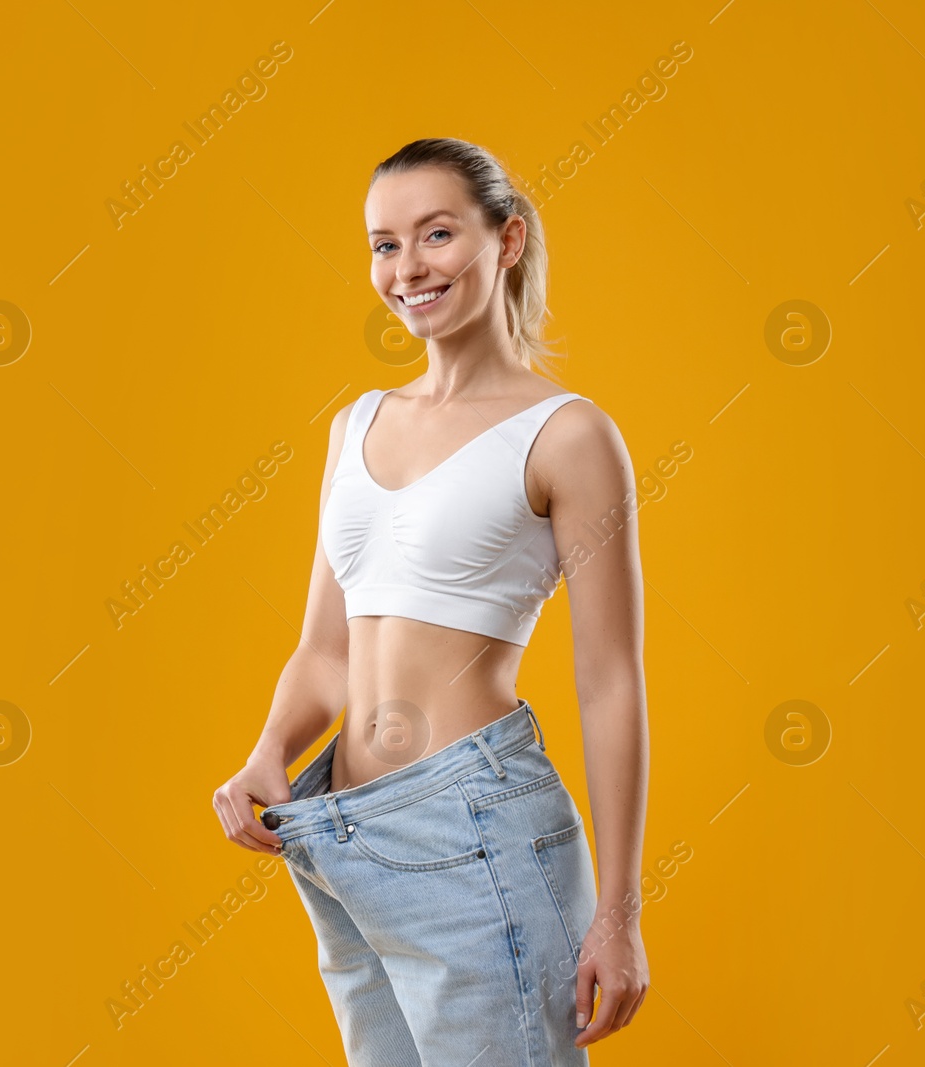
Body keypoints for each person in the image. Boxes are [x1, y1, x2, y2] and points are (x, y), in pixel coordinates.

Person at [212, 138, 650, 1066]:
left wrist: (619, 910)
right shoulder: (358, 422)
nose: (408, 268)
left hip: (475, 827)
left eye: (437, 233)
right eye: (384, 244)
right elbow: (327, 651)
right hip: (340, 832)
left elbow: (610, 682)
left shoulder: (568, 435)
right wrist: (267, 753)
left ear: (507, 241)